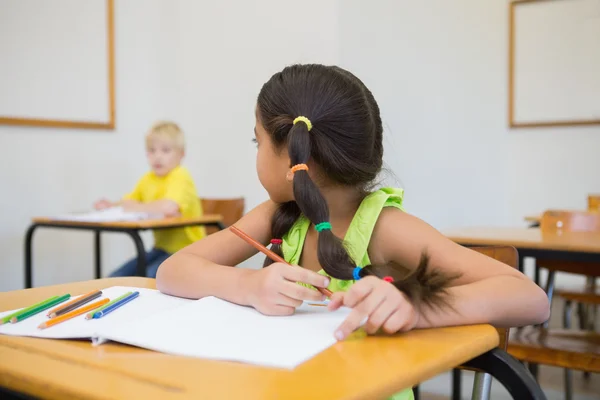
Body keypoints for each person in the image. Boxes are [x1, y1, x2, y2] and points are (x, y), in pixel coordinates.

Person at [156, 65, 549, 400]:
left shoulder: (383, 227)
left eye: (257, 141)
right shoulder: (278, 214)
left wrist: (414, 307)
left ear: (295, 154)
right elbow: (172, 271)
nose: (255, 151)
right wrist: (249, 286)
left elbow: (530, 298)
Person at [95, 121, 205, 278]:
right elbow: (128, 202)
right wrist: (111, 205)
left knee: (148, 277)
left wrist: (136, 206)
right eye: (152, 151)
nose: (158, 156)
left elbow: (169, 207)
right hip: (161, 249)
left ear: (181, 154)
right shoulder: (148, 179)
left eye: (165, 150)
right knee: (116, 276)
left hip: (188, 250)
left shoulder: (181, 176)